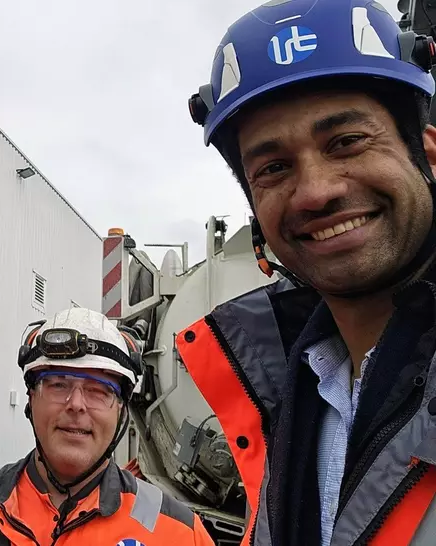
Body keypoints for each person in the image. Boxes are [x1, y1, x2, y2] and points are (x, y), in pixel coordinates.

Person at [182, 1, 436, 544]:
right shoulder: (295, 397)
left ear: (428, 154)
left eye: (346, 141)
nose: (317, 190)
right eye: (274, 167)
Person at [0, 308, 215, 545]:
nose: (76, 404)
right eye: (58, 384)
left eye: (99, 390)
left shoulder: (179, 533)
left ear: (121, 410)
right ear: (31, 400)